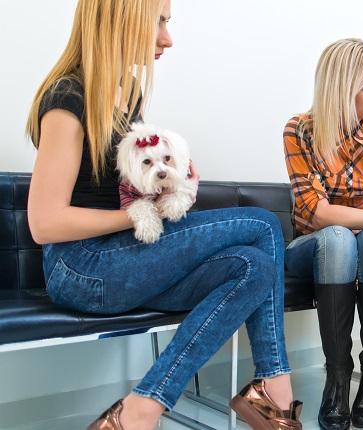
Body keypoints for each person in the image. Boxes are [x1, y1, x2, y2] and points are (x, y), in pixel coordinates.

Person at [24, 1, 302, 429]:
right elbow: (45, 224)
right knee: (264, 225)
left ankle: (149, 406)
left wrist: (171, 183)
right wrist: (143, 213)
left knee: (256, 265)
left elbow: (125, 186)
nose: (167, 37)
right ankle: (270, 396)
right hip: (80, 269)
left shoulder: (125, 92)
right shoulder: (68, 97)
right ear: (120, 20)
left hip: (125, 259)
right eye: (159, 21)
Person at [283, 38, 363, 430]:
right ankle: (337, 379)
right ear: (341, 89)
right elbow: (319, 214)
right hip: (311, 247)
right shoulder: (300, 131)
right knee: (339, 236)